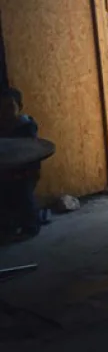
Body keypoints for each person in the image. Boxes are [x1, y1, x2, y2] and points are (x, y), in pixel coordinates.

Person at [0, 87, 42, 239]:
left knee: (24, 194)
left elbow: (32, 151)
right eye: (1, 108)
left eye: (10, 106)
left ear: (19, 107)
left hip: (25, 171)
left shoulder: (26, 126)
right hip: (7, 170)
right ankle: (9, 226)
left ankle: (31, 226)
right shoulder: (2, 127)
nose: (5, 112)